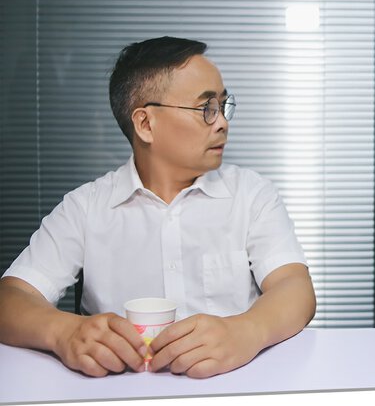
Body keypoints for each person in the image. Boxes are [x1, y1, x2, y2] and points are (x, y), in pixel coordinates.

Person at [0, 37, 316, 377]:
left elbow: (295, 288)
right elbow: (10, 298)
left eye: (223, 105)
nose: (222, 122)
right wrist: (64, 332)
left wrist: (246, 331)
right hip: (120, 393)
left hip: (234, 385)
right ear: (146, 124)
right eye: (206, 108)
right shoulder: (86, 208)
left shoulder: (251, 195)